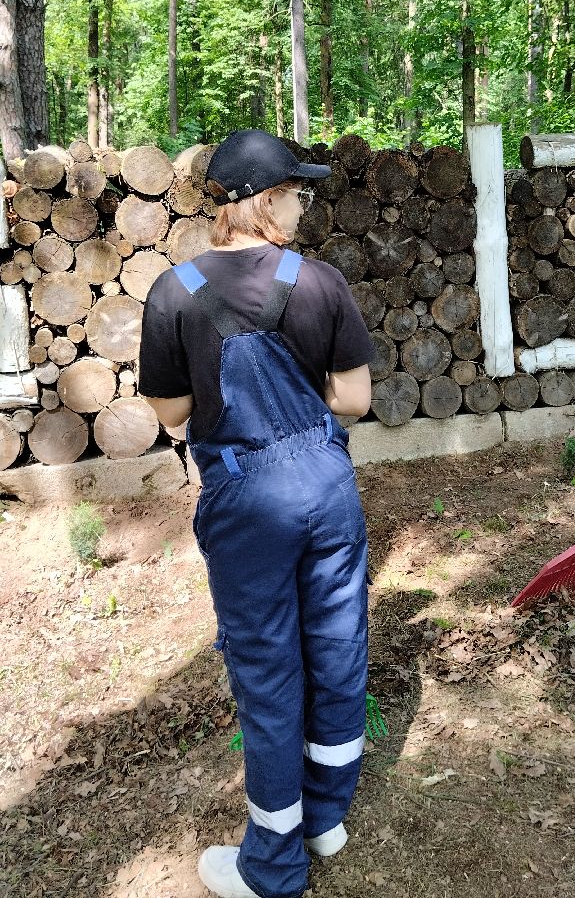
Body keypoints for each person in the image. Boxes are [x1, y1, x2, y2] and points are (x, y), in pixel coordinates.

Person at [138, 129, 375, 898]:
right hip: (326, 482)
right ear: (261, 200)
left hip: (249, 497)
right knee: (336, 646)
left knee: (270, 674)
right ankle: (324, 819)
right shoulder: (321, 283)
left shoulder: (175, 292)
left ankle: (272, 866)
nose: (303, 203)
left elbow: (172, 411)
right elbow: (354, 399)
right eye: (295, 191)